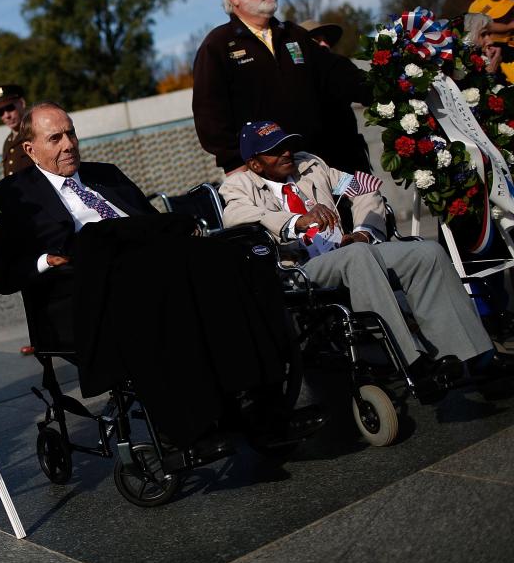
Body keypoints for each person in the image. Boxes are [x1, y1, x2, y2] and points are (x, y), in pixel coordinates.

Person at [0, 102, 327, 458]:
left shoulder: (106, 174)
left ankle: (265, 414)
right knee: (123, 256)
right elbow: (4, 276)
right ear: (30, 149)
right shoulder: (14, 195)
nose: (68, 144)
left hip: (157, 262)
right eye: (55, 138)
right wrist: (45, 260)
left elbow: (153, 224)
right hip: (92, 285)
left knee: (231, 258)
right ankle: (189, 428)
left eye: (70, 133)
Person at [220, 121, 514, 396]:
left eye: (286, 145)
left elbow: (364, 189)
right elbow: (235, 217)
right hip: (301, 269)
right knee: (357, 256)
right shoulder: (238, 186)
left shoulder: (310, 165)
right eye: (274, 150)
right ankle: (412, 363)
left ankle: (475, 356)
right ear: (254, 163)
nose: (286, 153)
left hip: (350, 249)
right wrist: (296, 220)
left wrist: (362, 231)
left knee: (427, 252)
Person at [191, 0, 370, 174]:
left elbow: (338, 74)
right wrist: (234, 162)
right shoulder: (218, 45)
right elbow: (209, 113)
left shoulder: (294, 34)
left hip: (317, 162)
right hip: (262, 171)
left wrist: (384, 87)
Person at [298, 20, 372, 174]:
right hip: (313, 169)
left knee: (367, 198)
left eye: (326, 40)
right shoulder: (291, 80)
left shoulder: (337, 67)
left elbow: (366, 89)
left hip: (350, 161)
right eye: (317, 40)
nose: (324, 44)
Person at [0, 84, 32, 177]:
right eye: (0, 112)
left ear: (22, 103)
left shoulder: (35, 132)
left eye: (10, 108)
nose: (6, 115)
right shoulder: (8, 142)